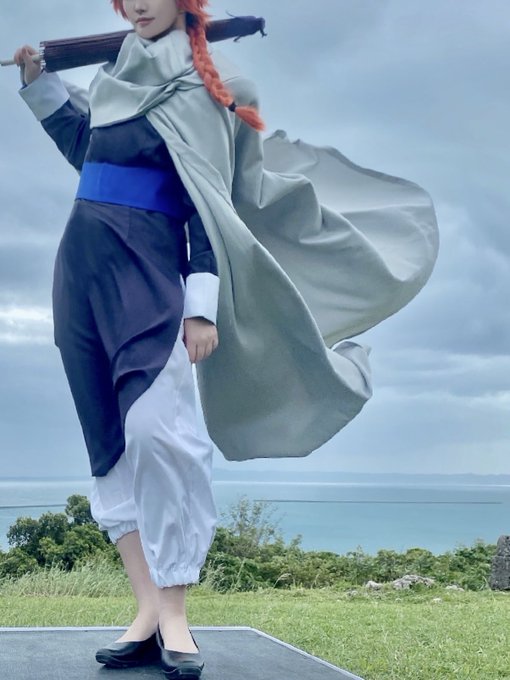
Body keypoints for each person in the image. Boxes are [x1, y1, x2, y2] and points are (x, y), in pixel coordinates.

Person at [13, 0, 439, 677]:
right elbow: (85, 154)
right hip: (81, 275)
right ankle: (147, 609)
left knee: (160, 433)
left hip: (151, 273)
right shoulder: (112, 78)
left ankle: (176, 614)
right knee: (109, 446)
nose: (140, 4)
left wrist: (200, 307)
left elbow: (208, 203)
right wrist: (41, 85)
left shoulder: (212, 88)